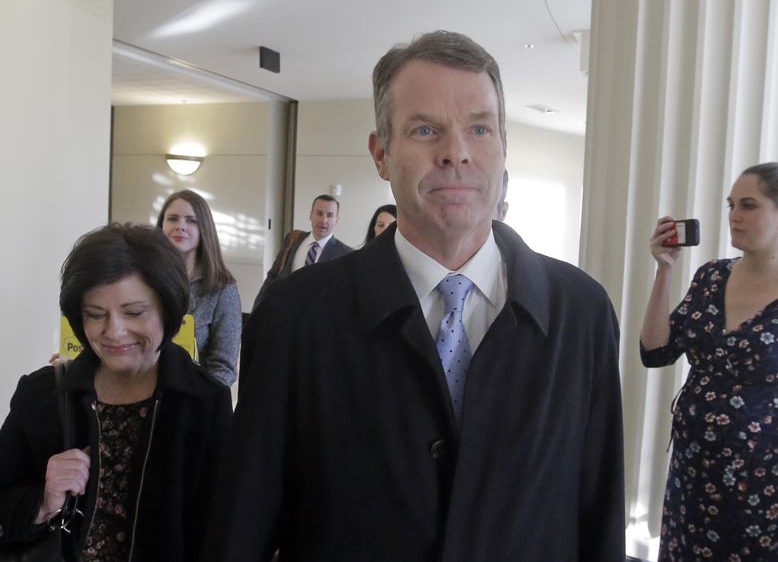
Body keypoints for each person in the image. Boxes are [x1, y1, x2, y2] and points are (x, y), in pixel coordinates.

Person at [202, 30, 624, 561]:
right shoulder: (296, 315)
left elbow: (597, 509)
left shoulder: (580, 312)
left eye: (479, 129)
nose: (456, 154)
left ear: (503, 147)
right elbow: (247, 517)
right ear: (381, 154)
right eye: (426, 130)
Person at [640, 162, 778, 561]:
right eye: (731, 204)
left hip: (765, 490)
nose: (734, 215)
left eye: (749, 205)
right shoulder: (711, 277)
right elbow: (655, 352)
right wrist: (664, 271)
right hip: (693, 476)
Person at [0, 223, 232, 561]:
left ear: (167, 309)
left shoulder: (203, 402)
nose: (114, 332)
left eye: (134, 312)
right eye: (95, 315)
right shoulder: (42, 394)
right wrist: (42, 503)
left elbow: (219, 529)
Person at [157, 190, 241, 386]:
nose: (180, 227)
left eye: (191, 221)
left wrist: (198, 400)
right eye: (172, 219)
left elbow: (224, 367)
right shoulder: (144, 280)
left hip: (195, 400)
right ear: (161, 225)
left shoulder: (223, 289)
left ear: (205, 228)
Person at [252, 194, 353, 308]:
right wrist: (258, 306)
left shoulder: (345, 254)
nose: (323, 220)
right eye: (319, 213)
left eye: (330, 215)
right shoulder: (293, 240)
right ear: (310, 215)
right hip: (283, 313)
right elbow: (273, 275)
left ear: (336, 220)